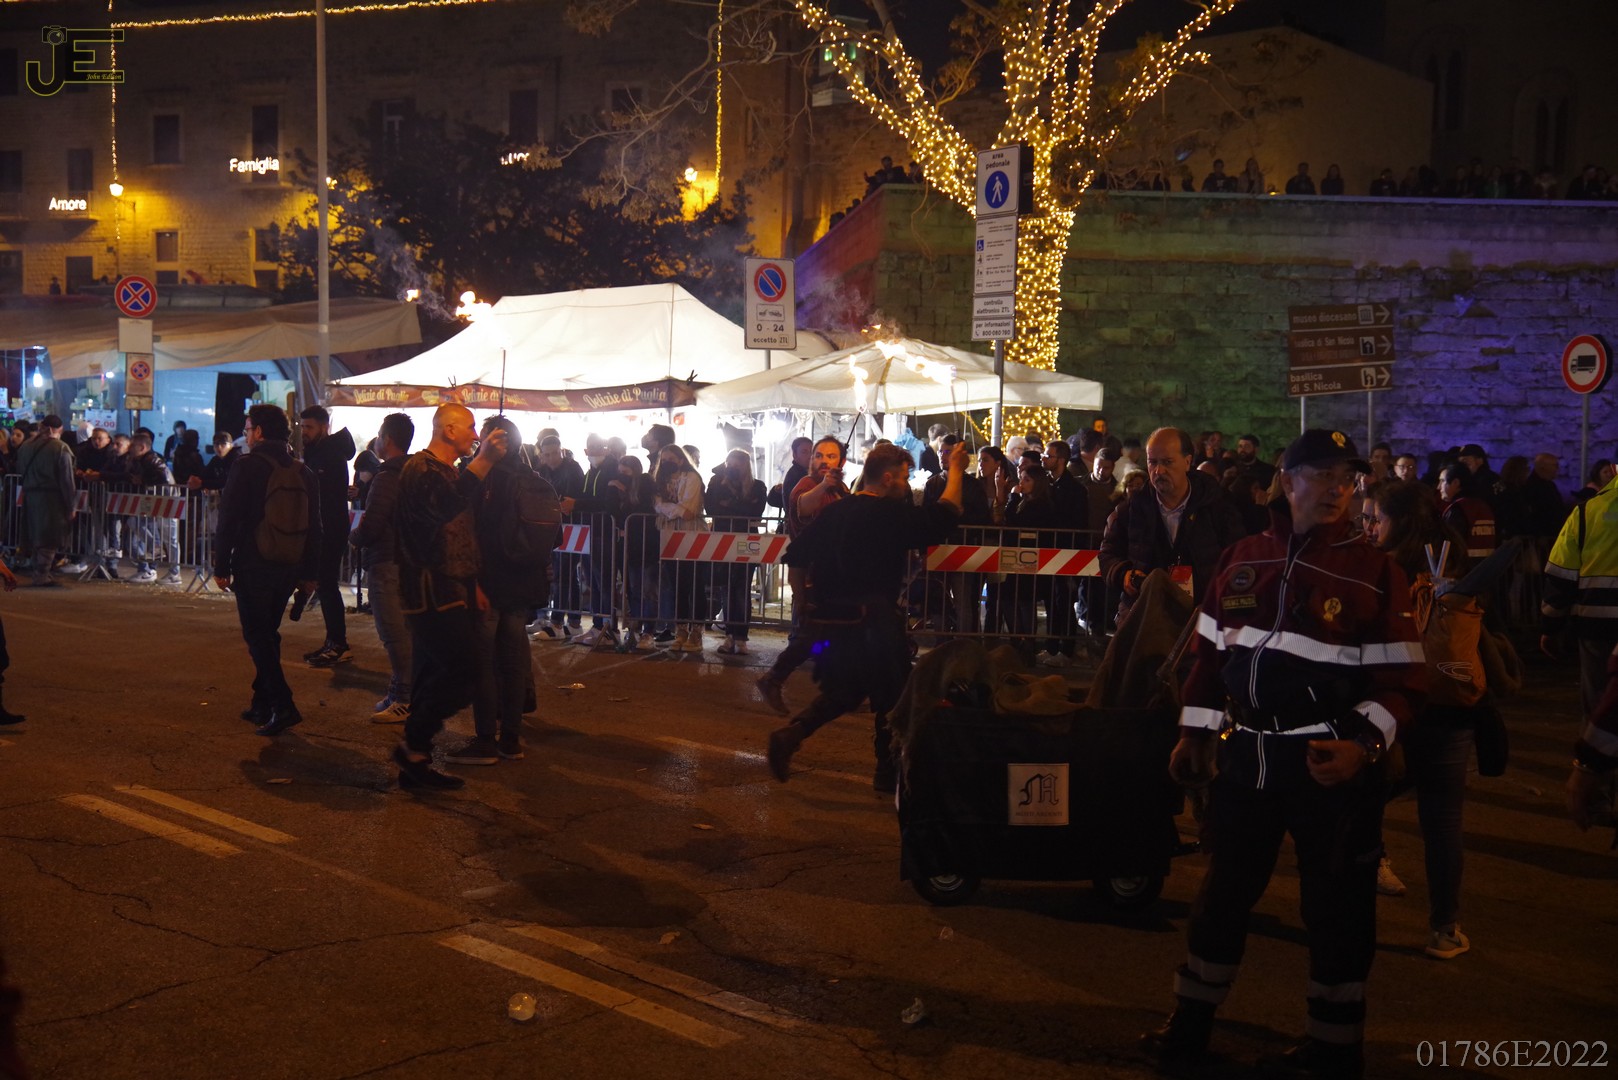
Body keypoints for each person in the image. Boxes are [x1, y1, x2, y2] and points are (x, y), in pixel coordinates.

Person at [1141, 430, 1426, 1079]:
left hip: (1329, 771)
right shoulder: (1244, 558)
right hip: (1247, 760)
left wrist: (1361, 747)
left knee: (1337, 911)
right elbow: (1208, 658)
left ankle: (1334, 1049)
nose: (1337, 489)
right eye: (1321, 475)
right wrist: (1194, 734)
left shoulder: (1376, 572)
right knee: (1222, 898)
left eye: (1345, 479)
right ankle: (1190, 1026)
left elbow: (1405, 685)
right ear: (1287, 479)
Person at [766, 441, 968, 792]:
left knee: (848, 690)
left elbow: (795, 555)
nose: (906, 484)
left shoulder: (836, 511)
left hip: (836, 621)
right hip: (875, 623)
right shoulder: (887, 513)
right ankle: (888, 772)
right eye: (903, 477)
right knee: (894, 696)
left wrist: (803, 600)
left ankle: (792, 735)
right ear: (887, 478)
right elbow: (945, 514)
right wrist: (956, 472)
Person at [1365, 480, 1482, 958]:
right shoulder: (1455, 560)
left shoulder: (1381, 569)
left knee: (1366, 799)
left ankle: (1354, 917)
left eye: (1376, 518)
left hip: (1396, 702)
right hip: (1451, 704)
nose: (1368, 527)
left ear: (1402, 522)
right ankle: (1445, 928)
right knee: (1442, 821)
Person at [391, 403, 509, 790]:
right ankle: (413, 744)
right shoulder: (421, 469)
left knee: (434, 672)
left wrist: (473, 583)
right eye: (470, 428)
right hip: (430, 589)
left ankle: (415, 757)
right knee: (465, 670)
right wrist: (484, 462)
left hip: (453, 588)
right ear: (449, 430)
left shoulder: (448, 471)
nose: (476, 436)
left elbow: (459, 533)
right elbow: (444, 507)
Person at [213, 405, 321, 737]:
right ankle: (261, 702)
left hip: (254, 562)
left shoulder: (246, 466)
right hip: (289, 565)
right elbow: (315, 526)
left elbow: (229, 518)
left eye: (247, 429)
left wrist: (221, 566)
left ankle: (283, 705)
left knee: (257, 636)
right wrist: (309, 573)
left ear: (258, 432)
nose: (246, 435)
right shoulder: (303, 471)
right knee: (267, 632)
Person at [465, 415, 558, 765]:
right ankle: (511, 739)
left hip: (490, 583)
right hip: (524, 585)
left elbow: (471, 532)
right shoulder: (536, 480)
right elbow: (556, 536)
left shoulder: (486, 480)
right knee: (513, 661)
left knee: (483, 663)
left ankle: (485, 740)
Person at [1098, 427, 1244, 627]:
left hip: (1204, 616)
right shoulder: (1130, 511)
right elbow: (1108, 554)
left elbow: (1238, 556)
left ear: (1187, 462)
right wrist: (1123, 575)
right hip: (1146, 617)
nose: (1159, 471)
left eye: (1167, 462)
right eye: (1152, 462)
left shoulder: (1217, 507)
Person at [757, 436, 849, 713]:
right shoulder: (806, 485)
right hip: (811, 573)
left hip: (836, 572)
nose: (823, 461)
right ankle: (774, 679)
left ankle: (841, 687)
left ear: (841, 461)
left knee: (836, 633)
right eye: (819, 456)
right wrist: (824, 485)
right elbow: (802, 507)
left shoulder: (841, 488)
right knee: (810, 634)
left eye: (831, 456)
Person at [349, 412, 414, 724]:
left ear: (387, 440)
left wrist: (354, 537)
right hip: (408, 560)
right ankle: (399, 691)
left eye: (379, 434)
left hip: (386, 561)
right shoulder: (414, 473)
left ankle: (405, 698)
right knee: (403, 631)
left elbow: (373, 524)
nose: (376, 440)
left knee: (394, 634)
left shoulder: (387, 477)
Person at [1542, 461, 1618, 718]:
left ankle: (1595, 742)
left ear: (1614, 469)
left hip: (1597, 622)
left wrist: (1551, 627)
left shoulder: (1586, 512)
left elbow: (1561, 575)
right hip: (1596, 622)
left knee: (1598, 696)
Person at [297, 406, 357, 668]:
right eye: (302, 427)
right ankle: (334, 642)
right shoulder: (319, 452)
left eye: (309, 427)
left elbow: (324, 496)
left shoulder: (330, 454)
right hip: (325, 528)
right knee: (325, 585)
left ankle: (338, 644)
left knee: (327, 585)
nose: (304, 432)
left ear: (324, 427)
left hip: (330, 529)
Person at [705, 449, 768, 655]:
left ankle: (741, 637)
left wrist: (729, 504)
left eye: (736, 464)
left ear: (745, 466)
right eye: (729, 464)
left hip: (746, 542)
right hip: (723, 540)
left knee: (741, 589)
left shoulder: (757, 486)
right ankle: (729, 635)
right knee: (726, 588)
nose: (732, 468)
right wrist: (739, 505)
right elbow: (712, 508)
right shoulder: (717, 483)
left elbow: (755, 512)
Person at [653, 443, 708, 651]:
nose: (667, 463)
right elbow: (658, 505)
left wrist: (667, 508)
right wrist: (674, 509)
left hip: (693, 535)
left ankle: (697, 632)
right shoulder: (659, 481)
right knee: (677, 586)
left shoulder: (692, 478)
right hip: (669, 536)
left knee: (696, 585)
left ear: (681, 460)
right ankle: (681, 630)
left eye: (671, 459)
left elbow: (689, 511)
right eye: (664, 460)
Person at [572, 434, 624, 649]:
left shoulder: (612, 470)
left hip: (604, 533)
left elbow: (606, 502)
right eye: (591, 447)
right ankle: (597, 625)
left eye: (598, 446)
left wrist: (577, 504)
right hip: (590, 532)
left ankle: (609, 628)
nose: (594, 450)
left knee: (603, 582)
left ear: (606, 448)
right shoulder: (591, 472)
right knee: (593, 582)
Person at [15, 416, 78, 588]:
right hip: (51, 499)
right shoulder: (60, 448)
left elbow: (20, 470)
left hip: (30, 496)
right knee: (49, 536)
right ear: (53, 430)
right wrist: (71, 505)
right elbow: (67, 480)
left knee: (35, 535)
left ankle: (38, 572)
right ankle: (41, 575)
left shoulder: (25, 446)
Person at [534, 434, 585, 639]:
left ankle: (559, 622)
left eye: (555, 453)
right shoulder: (542, 471)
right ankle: (570, 621)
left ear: (561, 451)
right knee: (564, 576)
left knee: (564, 575)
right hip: (554, 527)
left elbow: (571, 497)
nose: (552, 458)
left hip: (571, 528)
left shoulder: (572, 468)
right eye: (547, 455)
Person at [1437, 462, 1497, 561]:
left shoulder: (1459, 509)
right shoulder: (1483, 506)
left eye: (1442, 481)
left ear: (1456, 482)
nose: (1438, 487)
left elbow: (1450, 543)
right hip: (1487, 566)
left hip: (1464, 566)